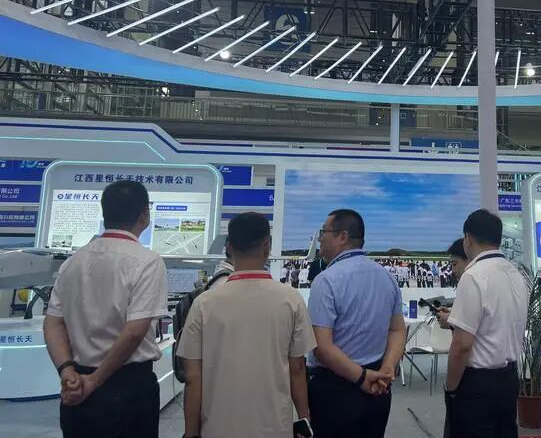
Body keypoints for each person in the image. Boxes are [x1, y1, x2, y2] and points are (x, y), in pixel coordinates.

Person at [43, 180, 168, 438]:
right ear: (144, 214)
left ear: (104, 213)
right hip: (128, 387)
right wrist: (96, 381)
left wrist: (67, 371)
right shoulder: (147, 261)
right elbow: (134, 332)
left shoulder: (73, 262)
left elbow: (53, 323)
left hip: (77, 385)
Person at [178, 212, 316, 438]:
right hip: (274, 428)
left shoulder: (204, 303)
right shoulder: (291, 300)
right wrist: (304, 419)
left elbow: (193, 378)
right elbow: (297, 369)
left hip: (218, 428)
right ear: (267, 246)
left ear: (229, 247)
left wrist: (191, 433)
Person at [307, 209, 406, 438]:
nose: (320, 239)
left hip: (336, 391)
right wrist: (387, 368)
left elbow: (321, 347)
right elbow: (398, 329)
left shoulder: (326, 281)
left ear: (342, 236)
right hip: (379, 388)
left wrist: (362, 377)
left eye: (323, 232)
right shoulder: (386, 277)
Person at [445, 209, 528, 438]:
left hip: (478, 384)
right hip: (509, 379)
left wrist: (451, 388)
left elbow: (462, 346)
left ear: (468, 239)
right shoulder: (515, 274)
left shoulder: (474, 275)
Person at [437, 239, 469, 329]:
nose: (453, 270)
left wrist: (452, 322)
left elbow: (473, 326)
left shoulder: (471, 285)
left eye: (454, 264)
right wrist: (452, 315)